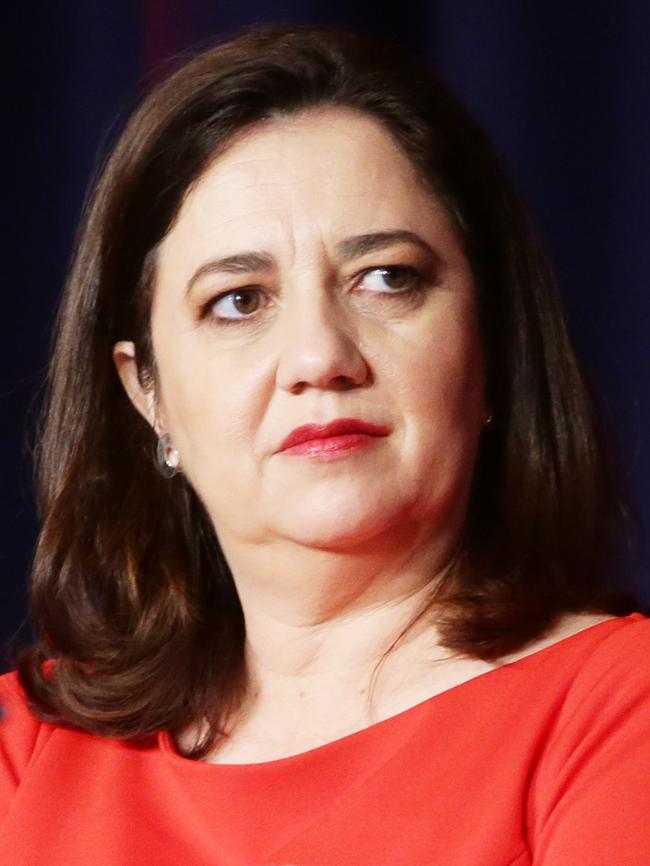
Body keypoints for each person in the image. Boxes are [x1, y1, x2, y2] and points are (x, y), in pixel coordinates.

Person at [1, 22, 648, 866]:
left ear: (490, 349)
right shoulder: (25, 749)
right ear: (146, 391)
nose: (320, 358)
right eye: (238, 300)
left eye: (388, 279)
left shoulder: (617, 713)